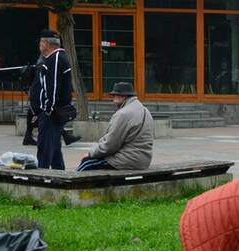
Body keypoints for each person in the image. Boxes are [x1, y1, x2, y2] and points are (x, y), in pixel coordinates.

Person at [76, 82, 153, 171]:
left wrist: (90, 153)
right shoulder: (144, 110)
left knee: (86, 164)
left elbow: (110, 145)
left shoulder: (123, 114)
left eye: (115, 96)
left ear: (123, 97)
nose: (113, 100)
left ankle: (71, 185)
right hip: (144, 160)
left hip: (127, 160)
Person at [35, 29, 74, 170]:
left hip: (52, 112)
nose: (39, 45)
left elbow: (53, 86)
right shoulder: (54, 58)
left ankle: (42, 177)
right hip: (54, 111)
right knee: (55, 148)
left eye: (41, 42)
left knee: (45, 147)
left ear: (46, 43)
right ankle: (60, 175)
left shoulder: (56, 59)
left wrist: (48, 110)